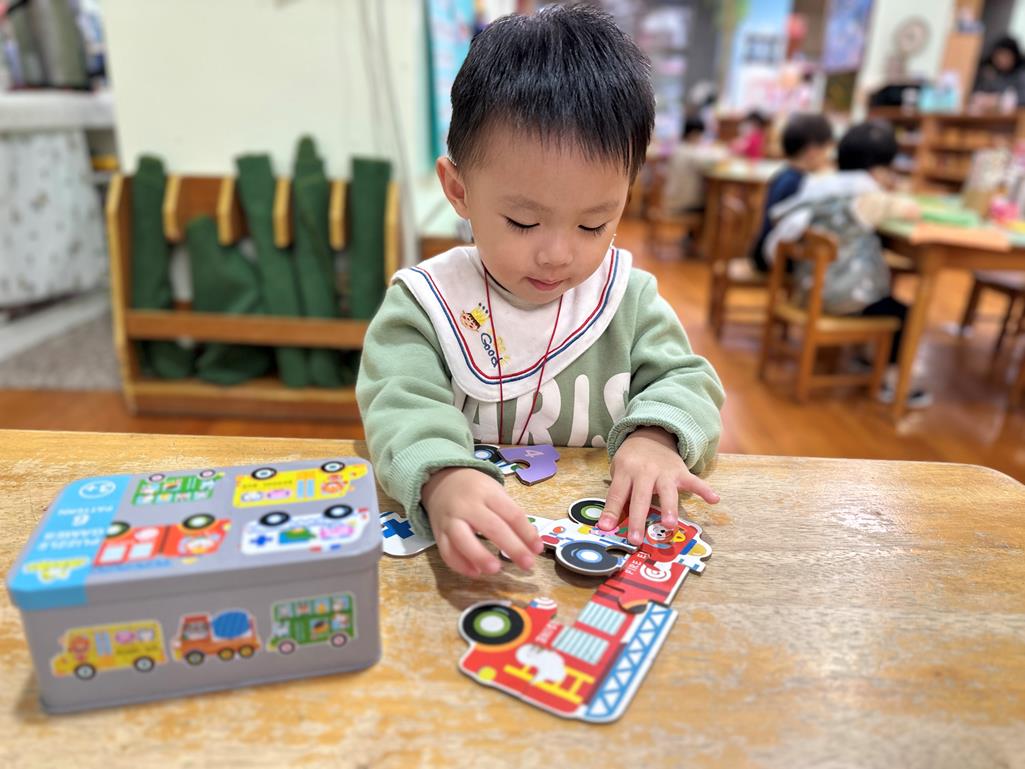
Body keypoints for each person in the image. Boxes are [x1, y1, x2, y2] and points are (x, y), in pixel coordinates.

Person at [356, 5, 725, 578]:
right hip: (473, 559)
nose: (558, 254)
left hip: (604, 544)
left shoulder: (627, 299)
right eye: (524, 222)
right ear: (459, 190)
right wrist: (442, 477)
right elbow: (399, 405)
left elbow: (687, 381)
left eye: (593, 224)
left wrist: (657, 437)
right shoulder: (427, 305)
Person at [764, 121, 930, 408]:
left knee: (881, 295)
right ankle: (892, 380)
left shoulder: (818, 184)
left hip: (807, 289)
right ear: (880, 168)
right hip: (842, 298)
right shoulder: (869, 196)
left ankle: (867, 357)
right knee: (904, 312)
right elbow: (912, 210)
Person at [750, 113, 834, 273]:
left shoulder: (785, 174)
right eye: (827, 149)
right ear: (813, 151)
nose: (828, 156)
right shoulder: (799, 183)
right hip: (774, 256)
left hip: (762, 249)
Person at [661, 116, 725, 216]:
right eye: (700, 135)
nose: (701, 138)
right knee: (716, 207)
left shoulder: (679, 148)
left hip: (672, 199)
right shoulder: (691, 153)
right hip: (686, 204)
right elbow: (712, 161)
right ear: (694, 134)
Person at [973, 35, 1025, 108]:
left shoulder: (1021, 74)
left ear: (1014, 57)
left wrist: (999, 100)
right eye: (998, 56)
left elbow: (1022, 97)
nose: (1001, 60)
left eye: (1006, 56)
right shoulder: (989, 72)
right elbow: (976, 94)